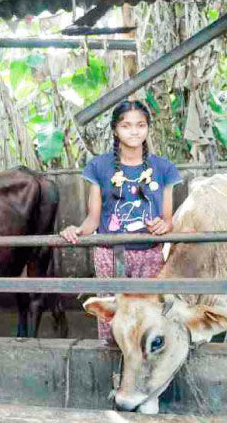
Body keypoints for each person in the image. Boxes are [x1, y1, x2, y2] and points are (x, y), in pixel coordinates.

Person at [60, 100, 182, 345]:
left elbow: (168, 220)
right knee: (111, 317)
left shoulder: (164, 168)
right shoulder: (98, 167)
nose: (134, 131)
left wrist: (163, 226)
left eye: (140, 125)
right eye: (126, 126)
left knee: (148, 316)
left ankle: (144, 370)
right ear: (115, 130)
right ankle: (110, 363)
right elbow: (94, 219)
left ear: (148, 129)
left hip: (150, 254)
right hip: (109, 255)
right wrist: (77, 230)